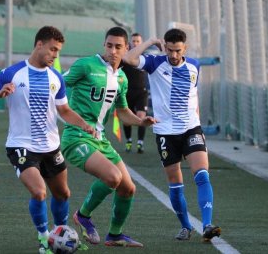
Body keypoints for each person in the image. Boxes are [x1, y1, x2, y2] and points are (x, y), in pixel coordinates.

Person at [0, 26, 95, 254]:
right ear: (39, 44)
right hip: (21, 146)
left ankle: (61, 236)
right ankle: (43, 238)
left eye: (58, 51)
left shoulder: (56, 77)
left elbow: (65, 110)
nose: (55, 55)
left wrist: (84, 124)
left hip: (51, 146)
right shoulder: (11, 73)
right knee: (39, 192)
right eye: (52, 50)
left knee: (63, 194)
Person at [123, 28, 221, 242]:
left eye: (178, 50)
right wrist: (150, 41)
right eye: (169, 50)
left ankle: (207, 225)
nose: (174, 55)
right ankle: (186, 226)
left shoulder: (195, 65)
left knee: (202, 175)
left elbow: (192, 95)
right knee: (176, 183)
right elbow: (128, 57)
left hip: (191, 129)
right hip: (166, 133)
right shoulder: (154, 63)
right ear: (164, 47)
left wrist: (197, 120)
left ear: (185, 48)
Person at [61, 26, 156, 248]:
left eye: (118, 47)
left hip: (100, 140)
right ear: (104, 45)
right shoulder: (86, 65)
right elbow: (57, 85)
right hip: (76, 137)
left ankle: (114, 235)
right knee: (113, 177)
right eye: (109, 45)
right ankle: (83, 215)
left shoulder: (121, 78)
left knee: (128, 188)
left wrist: (141, 121)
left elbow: (122, 111)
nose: (113, 51)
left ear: (126, 49)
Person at [121, 33, 148, 153]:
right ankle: (129, 140)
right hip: (127, 93)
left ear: (141, 43)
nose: (135, 43)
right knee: (127, 120)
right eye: (133, 41)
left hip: (141, 93)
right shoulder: (126, 58)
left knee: (141, 117)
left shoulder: (145, 59)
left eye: (138, 41)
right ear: (130, 43)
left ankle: (140, 143)